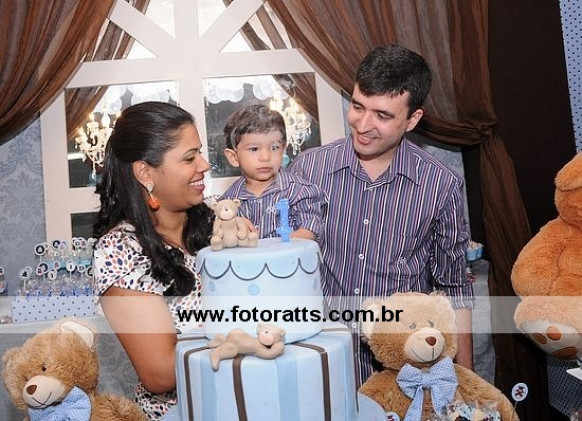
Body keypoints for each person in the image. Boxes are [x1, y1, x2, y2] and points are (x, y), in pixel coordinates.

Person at [289, 45, 474, 387]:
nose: (363, 125)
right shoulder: (308, 170)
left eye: (382, 116)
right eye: (358, 107)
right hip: (321, 366)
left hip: (404, 372)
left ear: (412, 119)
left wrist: (463, 381)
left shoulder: (440, 185)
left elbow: (454, 289)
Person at [92, 101, 214, 420]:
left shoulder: (217, 220)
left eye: (200, 153)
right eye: (189, 157)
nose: (204, 165)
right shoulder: (121, 249)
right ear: (145, 172)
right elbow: (160, 372)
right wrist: (244, 334)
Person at [220, 104, 326, 241]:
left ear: (283, 150)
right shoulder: (227, 201)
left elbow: (310, 229)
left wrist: (281, 248)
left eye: (274, 147)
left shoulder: (300, 192)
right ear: (233, 157)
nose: (266, 157)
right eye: (254, 149)